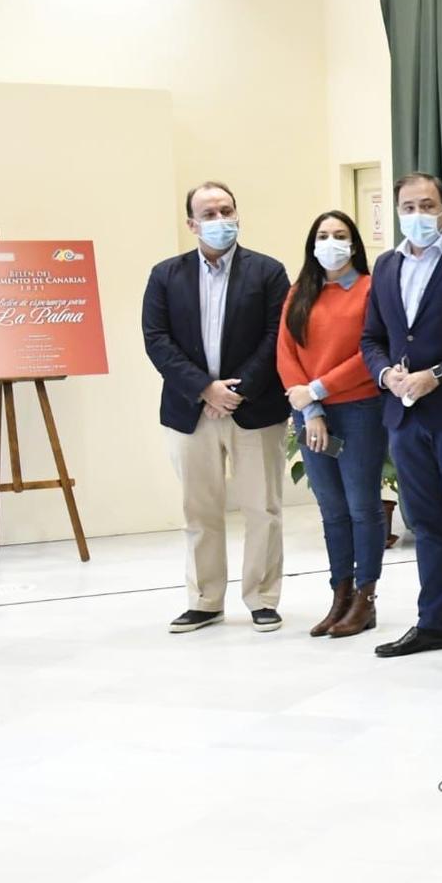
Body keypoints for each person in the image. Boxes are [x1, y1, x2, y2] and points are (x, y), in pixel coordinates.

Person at [140, 181, 290, 633]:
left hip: (254, 409)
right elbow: (156, 340)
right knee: (199, 510)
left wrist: (234, 391)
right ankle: (205, 599)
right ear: (191, 224)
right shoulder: (166, 275)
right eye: (209, 213)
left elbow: (275, 338)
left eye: (227, 210)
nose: (220, 220)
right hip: (191, 412)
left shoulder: (267, 271)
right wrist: (205, 389)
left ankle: (262, 597)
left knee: (262, 508)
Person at [360, 172, 442, 668]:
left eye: (427, 205)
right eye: (408, 206)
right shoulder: (386, 264)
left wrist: (436, 375)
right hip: (403, 415)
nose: (418, 214)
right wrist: (385, 376)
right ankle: (431, 622)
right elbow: (371, 337)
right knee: (426, 524)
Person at [276, 211, 383, 639]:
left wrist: (319, 388)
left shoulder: (370, 289)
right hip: (310, 415)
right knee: (332, 509)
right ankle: (339, 593)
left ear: (354, 244)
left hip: (359, 410)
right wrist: (310, 408)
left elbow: (370, 352)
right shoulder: (300, 291)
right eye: (323, 235)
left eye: (340, 235)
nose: (331, 243)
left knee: (362, 507)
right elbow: (285, 350)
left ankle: (365, 597)